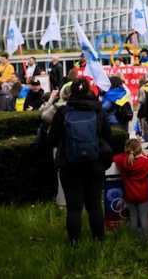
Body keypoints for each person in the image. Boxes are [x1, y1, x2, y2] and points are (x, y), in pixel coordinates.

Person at [48, 77, 112, 244]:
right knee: (95, 205)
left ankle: (74, 242)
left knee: (74, 207)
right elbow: (108, 136)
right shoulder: (98, 110)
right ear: (89, 91)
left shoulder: (63, 112)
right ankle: (99, 241)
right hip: (95, 162)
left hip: (69, 164)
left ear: (71, 92)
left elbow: (52, 139)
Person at [113, 138, 148, 240]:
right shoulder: (145, 162)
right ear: (140, 149)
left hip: (130, 195)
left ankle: (133, 239)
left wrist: (126, 154)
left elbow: (116, 158)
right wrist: (146, 155)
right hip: (143, 195)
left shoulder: (123, 161)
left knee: (133, 217)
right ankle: (146, 239)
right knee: (144, 217)